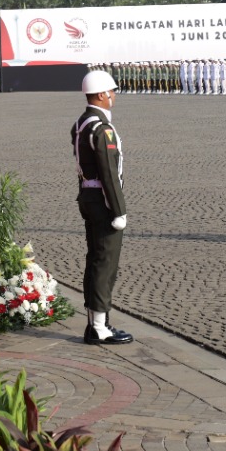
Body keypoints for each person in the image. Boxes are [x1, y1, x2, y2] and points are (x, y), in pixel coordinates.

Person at [73, 69, 133, 346]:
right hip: (103, 201)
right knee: (105, 263)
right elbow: (109, 173)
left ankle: (95, 322)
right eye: (111, 92)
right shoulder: (101, 129)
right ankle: (99, 328)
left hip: (88, 196)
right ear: (101, 95)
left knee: (95, 260)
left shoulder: (82, 123)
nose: (114, 96)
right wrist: (118, 210)